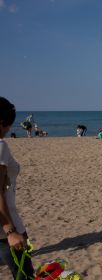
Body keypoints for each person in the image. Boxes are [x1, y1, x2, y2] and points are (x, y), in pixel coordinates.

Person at [0, 97, 35, 280]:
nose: (9, 129)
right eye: (9, 124)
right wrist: (11, 232)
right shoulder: (0, 146)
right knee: (24, 275)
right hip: (5, 227)